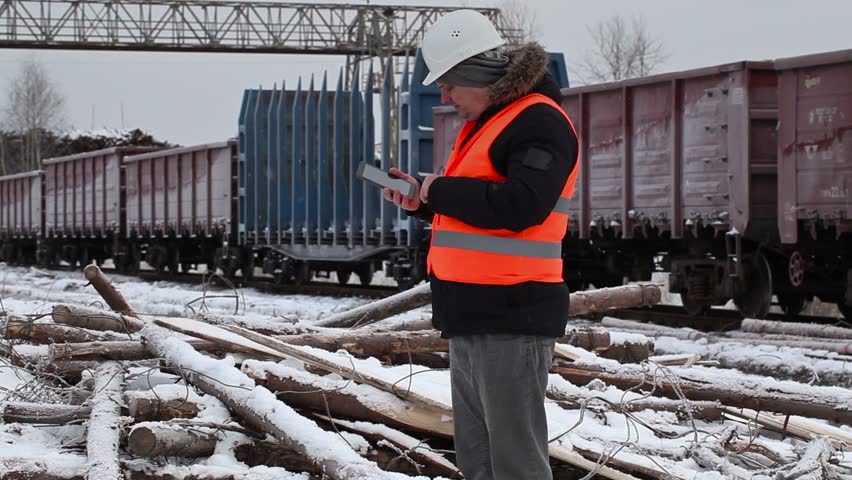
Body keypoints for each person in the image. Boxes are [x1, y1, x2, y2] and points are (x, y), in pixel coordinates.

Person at [382, 9, 580, 480]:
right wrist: (422, 201)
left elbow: (522, 206)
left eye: (450, 85)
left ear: (478, 74)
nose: (446, 97)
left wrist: (440, 190)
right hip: (473, 313)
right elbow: (480, 207)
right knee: (480, 461)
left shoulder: (538, 122)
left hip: (512, 314)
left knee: (514, 462)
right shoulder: (494, 121)